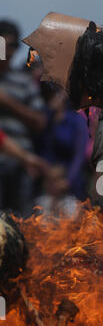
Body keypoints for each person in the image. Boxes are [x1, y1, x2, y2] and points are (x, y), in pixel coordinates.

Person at [0, 20, 46, 215]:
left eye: (11, 45)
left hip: (20, 166)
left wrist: (8, 103)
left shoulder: (24, 82)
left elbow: (40, 122)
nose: (6, 50)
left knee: (21, 224)